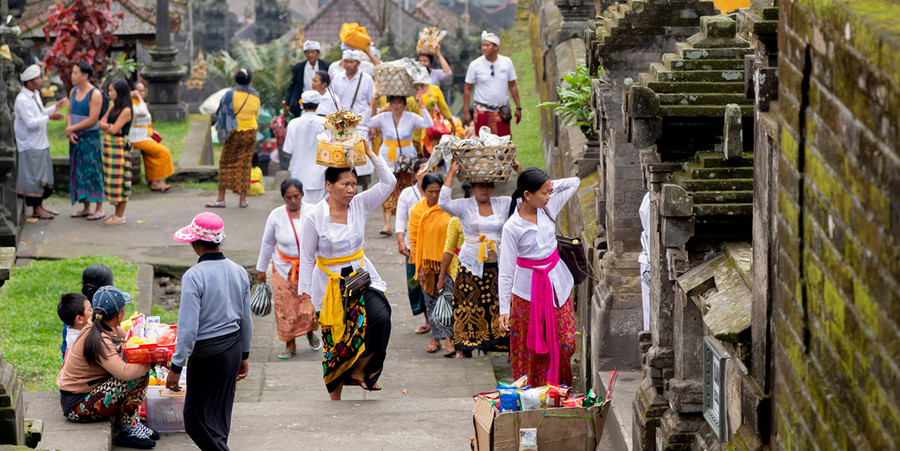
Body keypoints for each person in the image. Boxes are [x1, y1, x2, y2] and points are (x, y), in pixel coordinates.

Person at [297, 140, 396, 400]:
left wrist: (372, 153)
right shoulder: (314, 216)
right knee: (335, 343)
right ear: (328, 186)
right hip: (329, 285)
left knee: (381, 319)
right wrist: (305, 298)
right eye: (345, 184)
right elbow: (307, 259)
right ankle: (335, 401)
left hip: (361, 276)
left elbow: (389, 184)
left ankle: (361, 371)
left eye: (354, 184)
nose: (351, 189)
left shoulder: (360, 204)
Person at [168, 211, 253, 450]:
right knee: (219, 418)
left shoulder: (193, 276)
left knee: (195, 422)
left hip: (207, 354)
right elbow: (247, 320)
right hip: (233, 349)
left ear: (195, 244)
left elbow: (188, 329)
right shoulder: (239, 271)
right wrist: (244, 355)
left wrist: (176, 367)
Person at [498, 168, 580, 386]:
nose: (548, 197)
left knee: (566, 343)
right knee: (530, 349)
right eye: (544, 193)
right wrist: (504, 309)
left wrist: (548, 185)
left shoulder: (547, 207)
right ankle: (534, 395)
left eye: (549, 192)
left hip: (557, 286)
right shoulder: (512, 227)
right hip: (527, 293)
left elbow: (574, 182)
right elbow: (506, 270)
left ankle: (561, 386)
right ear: (527, 195)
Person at [57, 285, 158, 449]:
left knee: (137, 369)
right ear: (120, 314)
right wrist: (151, 362)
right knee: (137, 375)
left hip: (82, 395)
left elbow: (124, 340)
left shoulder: (99, 324)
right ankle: (129, 428)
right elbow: (124, 373)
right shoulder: (98, 339)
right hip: (77, 405)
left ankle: (129, 423)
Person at [440, 162, 521, 358]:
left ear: (493, 186)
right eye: (479, 185)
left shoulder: (502, 203)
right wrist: (451, 173)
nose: (484, 189)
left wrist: (519, 170)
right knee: (468, 307)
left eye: (488, 184)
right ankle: (466, 349)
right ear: (473, 187)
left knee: (499, 305)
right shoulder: (464, 206)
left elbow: (524, 198)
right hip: (470, 267)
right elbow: (443, 202)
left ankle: (504, 347)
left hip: (499, 266)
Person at [256, 178, 323, 359]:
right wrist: (261, 269)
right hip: (284, 268)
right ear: (283, 198)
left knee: (308, 303)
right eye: (288, 197)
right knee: (285, 307)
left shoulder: (313, 211)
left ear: (302, 195)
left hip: (310, 268)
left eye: (296, 196)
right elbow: (267, 243)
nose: (293, 201)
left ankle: (309, 333)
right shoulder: (275, 216)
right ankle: (290, 343)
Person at [366, 93, 432, 235]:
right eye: (393, 102)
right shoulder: (384, 116)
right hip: (387, 155)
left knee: (406, 186)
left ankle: (408, 221)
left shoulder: (411, 117)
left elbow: (428, 124)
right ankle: (388, 224)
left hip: (406, 156)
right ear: (390, 104)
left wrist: (421, 105)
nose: (396, 106)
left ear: (405, 104)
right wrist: (373, 103)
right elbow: (366, 122)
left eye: (399, 102)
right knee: (387, 186)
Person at [407, 173, 454, 356]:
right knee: (431, 302)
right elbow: (414, 240)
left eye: (438, 191)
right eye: (430, 191)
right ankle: (435, 337)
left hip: (446, 263)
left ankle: (449, 339)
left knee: (448, 300)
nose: (434, 195)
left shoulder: (448, 209)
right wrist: (419, 267)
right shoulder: (417, 211)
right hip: (426, 264)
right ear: (423, 190)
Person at [15, 64, 68, 220]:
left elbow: (40, 113)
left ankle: (41, 207)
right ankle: (36, 209)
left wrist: (54, 109)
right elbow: (31, 123)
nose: (40, 81)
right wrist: (49, 117)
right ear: (29, 82)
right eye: (37, 78)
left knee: (41, 177)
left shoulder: (35, 94)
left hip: (41, 143)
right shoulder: (22, 100)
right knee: (33, 179)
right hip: (30, 144)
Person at [208, 68, 260, 208]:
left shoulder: (230, 94)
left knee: (225, 163)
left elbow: (222, 113)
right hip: (250, 133)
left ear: (236, 80)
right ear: (250, 80)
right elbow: (256, 114)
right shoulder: (256, 96)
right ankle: (242, 200)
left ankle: (221, 199)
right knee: (245, 164)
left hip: (234, 133)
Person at [331, 50, 377, 190]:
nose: (349, 65)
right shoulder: (338, 78)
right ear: (343, 63)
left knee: (361, 161)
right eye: (347, 62)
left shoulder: (366, 79)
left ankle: (364, 192)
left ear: (358, 63)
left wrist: (373, 125)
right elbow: (333, 102)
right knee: (344, 159)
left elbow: (373, 101)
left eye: (352, 62)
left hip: (361, 125)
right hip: (342, 127)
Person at [462, 31, 522, 137]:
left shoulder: (506, 62)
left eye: (487, 45)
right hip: (482, 112)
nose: (484, 48)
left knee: (504, 144)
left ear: (496, 47)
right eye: (483, 45)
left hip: (501, 112)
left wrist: (518, 107)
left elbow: (513, 85)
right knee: (483, 146)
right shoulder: (475, 65)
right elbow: (467, 88)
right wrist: (466, 112)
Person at [66, 61, 106, 220]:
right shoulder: (73, 91)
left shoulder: (94, 94)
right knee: (79, 171)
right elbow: (69, 113)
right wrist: (70, 130)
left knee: (93, 171)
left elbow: (92, 119)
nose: (72, 76)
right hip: (76, 138)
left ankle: (99, 208)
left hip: (90, 138)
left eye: (76, 73)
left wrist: (73, 128)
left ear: (85, 75)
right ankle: (86, 207)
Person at [394, 158, 430, 333]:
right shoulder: (408, 194)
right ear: (416, 174)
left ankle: (438, 322)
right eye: (424, 170)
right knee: (415, 285)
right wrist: (401, 240)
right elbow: (400, 219)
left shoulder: (437, 192)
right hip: (413, 247)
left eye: (431, 170)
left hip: (433, 247)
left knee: (435, 284)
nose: (428, 174)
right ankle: (428, 319)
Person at [98, 79, 133, 225]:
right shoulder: (113, 108)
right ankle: (115, 212)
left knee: (121, 180)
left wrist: (110, 127)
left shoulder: (126, 110)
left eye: (112, 90)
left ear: (119, 93)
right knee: (112, 181)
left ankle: (120, 215)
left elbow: (113, 129)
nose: (109, 93)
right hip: (109, 147)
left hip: (119, 147)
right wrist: (111, 127)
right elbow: (100, 123)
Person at [283, 90, 327, 204]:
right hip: (320, 176)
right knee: (319, 211)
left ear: (302, 105)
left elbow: (287, 151)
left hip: (298, 175)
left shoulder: (293, 123)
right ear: (318, 104)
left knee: (300, 212)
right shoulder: (326, 123)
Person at [129, 82, 174, 192]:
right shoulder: (132, 103)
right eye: (139, 91)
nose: (142, 93)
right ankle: (155, 182)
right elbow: (142, 113)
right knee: (163, 152)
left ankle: (154, 181)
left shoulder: (141, 102)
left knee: (151, 155)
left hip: (144, 136)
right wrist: (138, 97)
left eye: (143, 91)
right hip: (136, 138)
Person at [285, 40, 331, 118]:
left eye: (312, 52)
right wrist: (288, 102)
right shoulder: (298, 68)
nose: (310, 55)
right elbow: (293, 86)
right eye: (307, 52)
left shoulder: (327, 66)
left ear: (318, 53)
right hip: (304, 103)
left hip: (321, 102)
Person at [57, 292, 91, 362]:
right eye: (90, 310)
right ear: (79, 319)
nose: (94, 312)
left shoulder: (81, 331)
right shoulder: (77, 341)